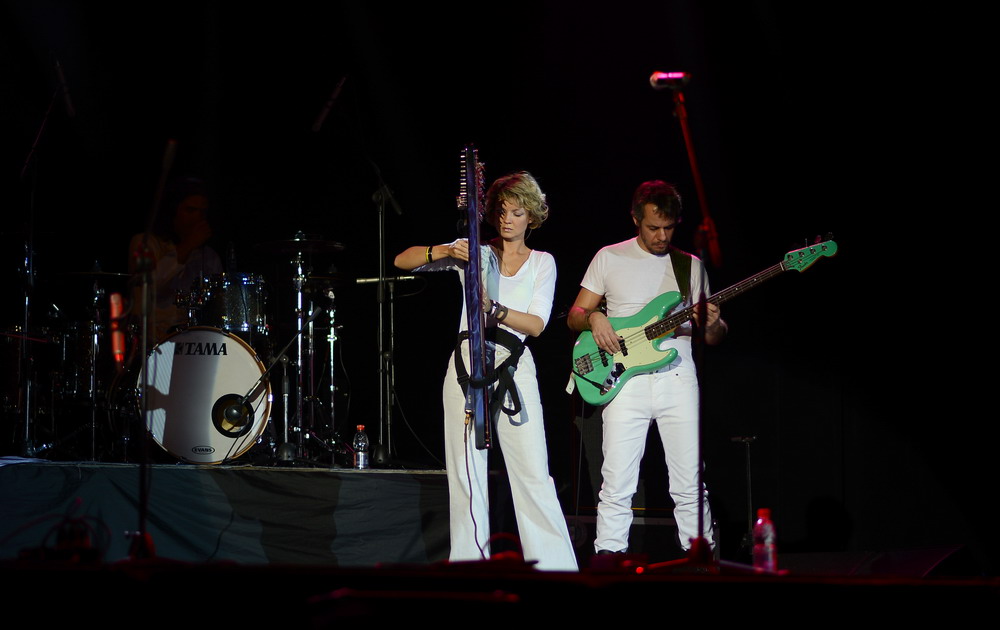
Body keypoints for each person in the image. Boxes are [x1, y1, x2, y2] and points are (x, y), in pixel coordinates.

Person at [394, 171, 578, 571]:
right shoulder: (476, 254)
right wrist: (444, 250)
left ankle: (556, 569)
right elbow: (402, 260)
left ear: (532, 216)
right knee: (465, 475)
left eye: (517, 212)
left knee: (533, 474)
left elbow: (537, 324)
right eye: (502, 211)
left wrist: (495, 309)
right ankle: (468, 565)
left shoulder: (542, 262)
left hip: (514, 366)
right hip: (465, 365)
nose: (508, 219)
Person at [567, 180, 727, 555]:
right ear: (635, 218)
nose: (661, 236)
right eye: (654, 227)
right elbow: (575, 314)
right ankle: (609, 556)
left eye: (668, 228)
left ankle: (700, 556)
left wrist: (713, 324)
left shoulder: (690, 266)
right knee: (617, 479)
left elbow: (713, 337)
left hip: (677, 376)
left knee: (690, 479)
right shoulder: (609, 257)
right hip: (624, 380)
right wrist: (595, 317)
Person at [128, 177, 222, 344]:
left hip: (194, 344)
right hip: (152, 341)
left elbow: (218, 303)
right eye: (190, 211)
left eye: (202, 212)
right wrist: (188, 245)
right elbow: (149, 286)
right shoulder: (145, 244)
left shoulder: (209, 256)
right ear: (173, 212)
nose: (198, 218)